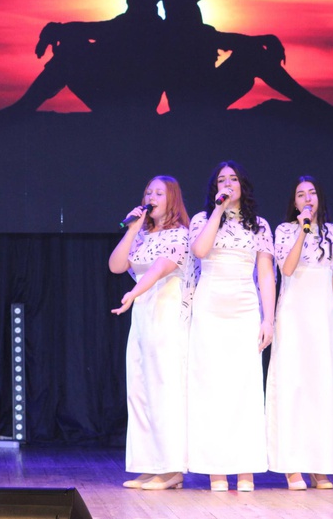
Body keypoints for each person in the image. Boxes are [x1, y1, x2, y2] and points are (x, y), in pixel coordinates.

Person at [186, 161, 275, 492]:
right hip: (210, 305)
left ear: (242, 185)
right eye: (221, 180)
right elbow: (200, 250)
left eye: (233, 179)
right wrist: (218, 211)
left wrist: (269, 318)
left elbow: (265, 273)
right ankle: (216, 470)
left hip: (245, 306)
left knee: (244, 387)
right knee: (211, 386)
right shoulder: (202, 219)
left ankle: (245, 468)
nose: (227, 184)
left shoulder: (259, 225)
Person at [265, 176, 333, 490]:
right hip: (293, 314)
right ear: (294, 202)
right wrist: (302, 231)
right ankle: (292, 467)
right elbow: (287, 269)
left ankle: (320, 465)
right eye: (301, 194)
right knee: (293, 385)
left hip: (322, 316)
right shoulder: (284, 231)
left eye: (312, 193)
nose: (307, 198)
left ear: (319, 199)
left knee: (321, 388)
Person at [108, 175, 194, 491]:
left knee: (164, 389)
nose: (151, 197)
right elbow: (116, 265)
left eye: (159, 193)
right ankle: (149, 465)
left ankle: (171, 468)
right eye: (148, 192)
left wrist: (133, 293)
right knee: (140, 388)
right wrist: (133, 228)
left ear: (172, 199)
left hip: (167, 314)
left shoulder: (181, 234)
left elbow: (159, 269)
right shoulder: (143, 235)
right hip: (143, 316)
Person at [0, 0, 169, 115]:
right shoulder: (134, 20)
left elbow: (97, 31)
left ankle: (22, 109)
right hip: (123, 97)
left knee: (70, 50)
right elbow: (96, 32)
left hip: (129, 104)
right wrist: (59, 30)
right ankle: (23, 107)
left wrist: (57, 30)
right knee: (71, 46)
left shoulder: (145, 22)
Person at [161, 0, 331, 114]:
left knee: (252, 52)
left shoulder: (189, 25)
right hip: (196, 102)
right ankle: (312, 104)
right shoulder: (179, 26)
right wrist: (264, 40)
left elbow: (217, 39)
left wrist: (262, 40)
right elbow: (220, 40)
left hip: (201, 96)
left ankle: (310, 102)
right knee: (252, 54)